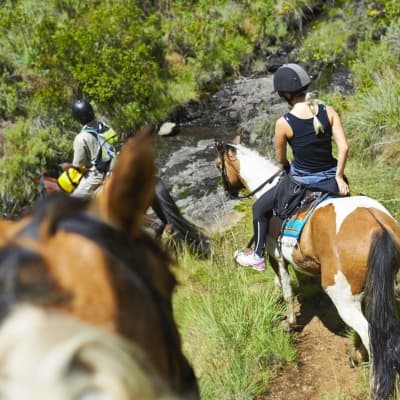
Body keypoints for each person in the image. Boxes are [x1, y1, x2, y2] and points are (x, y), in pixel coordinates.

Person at [234, 63, 349, 271]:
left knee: (258, 208)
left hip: (302, 182)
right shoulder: (328, 111)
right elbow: (344, 148)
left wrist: (288, 166)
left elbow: (281, 159)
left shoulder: (283, 123)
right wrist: (339, 177)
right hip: (332, 179)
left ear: (285, 94)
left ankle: (258, 255)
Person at [66, 99, 118, 199]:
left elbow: (78, 165)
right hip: (116, 165)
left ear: (77, 118)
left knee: (74, 199)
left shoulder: (81, 138)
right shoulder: (103, 125)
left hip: (99, 174)